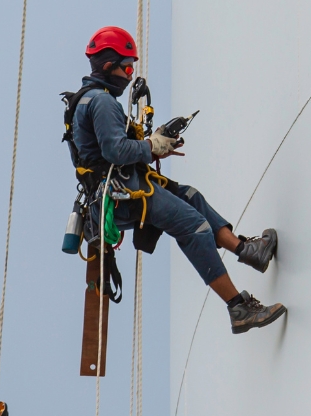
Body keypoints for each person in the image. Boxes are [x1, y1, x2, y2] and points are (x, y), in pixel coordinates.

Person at [70, 26, 287, 334]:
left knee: (190, 196)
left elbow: (107, 151)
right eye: (127, 66)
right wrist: (151, 146)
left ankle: (247, 251)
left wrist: (156, 143)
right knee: (193, 228)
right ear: (108, 66)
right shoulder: (102, 102)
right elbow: (115, 150)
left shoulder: (85, 100)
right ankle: (238, 308)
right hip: (122, 194)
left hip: (118, 191)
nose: (130, 74)